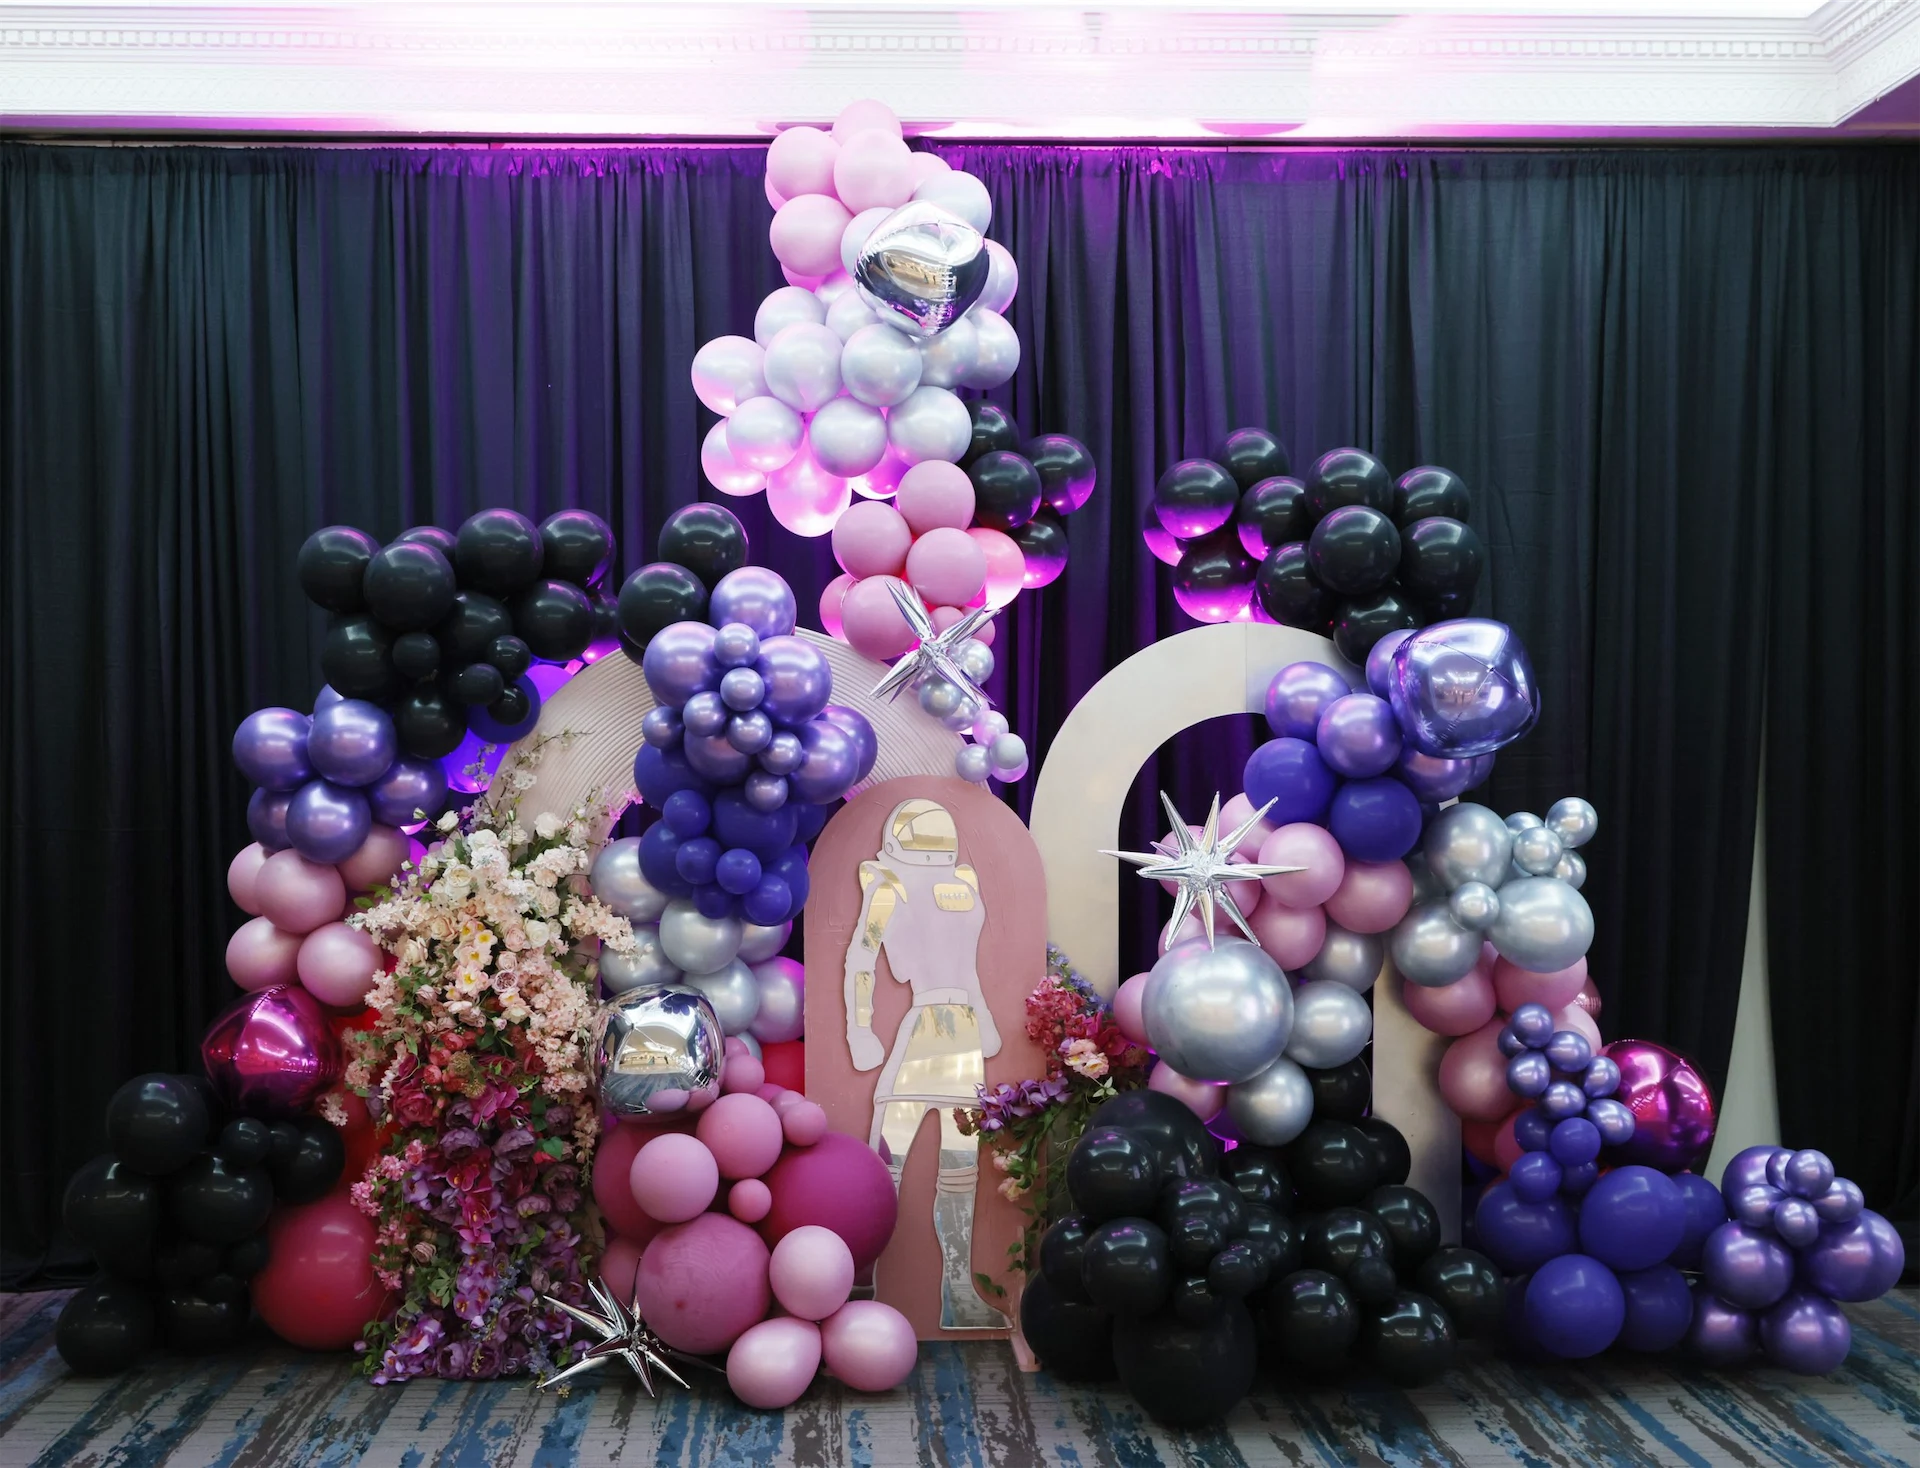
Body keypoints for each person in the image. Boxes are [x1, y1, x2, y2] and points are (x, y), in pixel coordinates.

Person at [843, 797, 1008, 1329]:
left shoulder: (961, 883)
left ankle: (958, 1291)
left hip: (959, 1036)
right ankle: (861, 1282)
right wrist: (859, 1029)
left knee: (960, 1169)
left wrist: (984, 1018)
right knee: (884, 1164)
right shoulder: (886, 885)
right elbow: (861, 958)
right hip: (924, 1031)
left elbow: (968, 966)